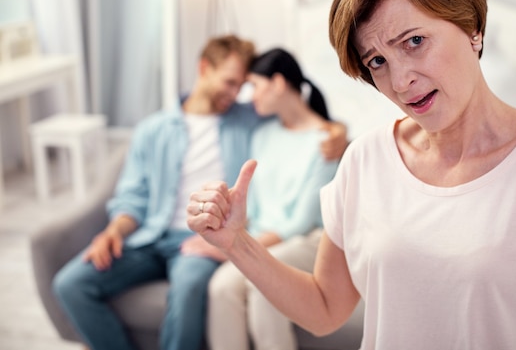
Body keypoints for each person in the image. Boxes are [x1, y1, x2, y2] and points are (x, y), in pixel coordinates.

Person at [187, 0, 516, 350]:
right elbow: (323, 309)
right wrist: (236, 243)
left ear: (471, 27)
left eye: (415, 42)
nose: (400, 81)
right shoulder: (366, 160)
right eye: (377, 61)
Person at [52, 35, 348, 350]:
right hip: (151, 235)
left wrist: (338, 131)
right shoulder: (154, 129)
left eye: (241, 87)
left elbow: (298, 112)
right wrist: (113, 231)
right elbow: (132, 197)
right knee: (70, 285)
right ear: (204, 68)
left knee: (191, 287)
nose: (235, 94)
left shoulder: (248, 119)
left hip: (202, 235)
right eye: (230, 82)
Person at [207, 48, 339, 350]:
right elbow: (251, 208)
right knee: (220, 288)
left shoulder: (327, 140)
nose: (250, 96)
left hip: (305, 240)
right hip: (259, 237)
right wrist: (237, 238)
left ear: (278, 84)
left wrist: (237, 246)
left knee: (263, 284)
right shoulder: (262, 134)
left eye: (254, 85)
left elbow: (301, 223)